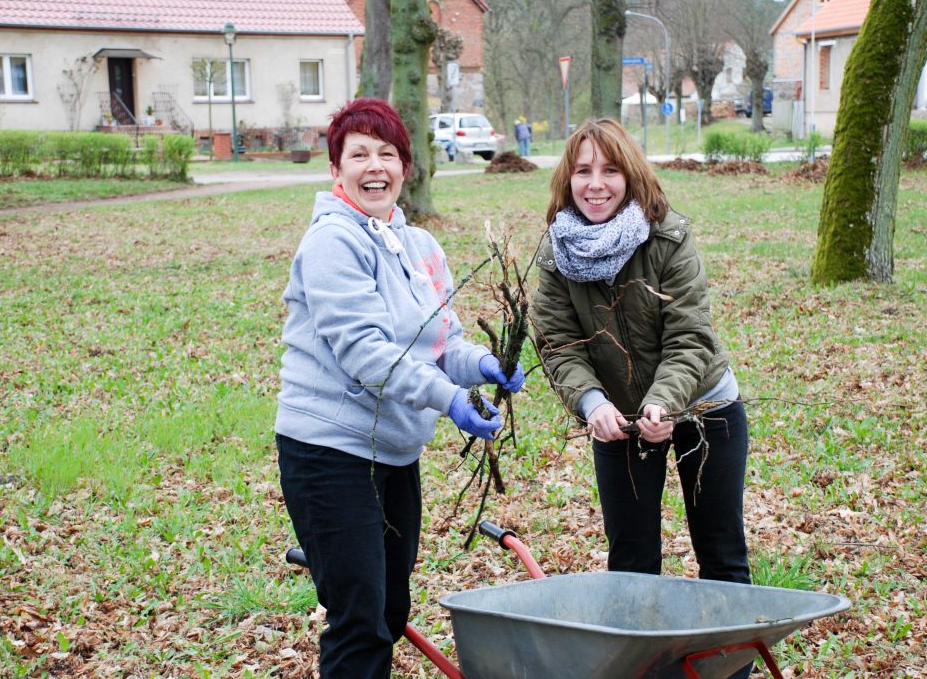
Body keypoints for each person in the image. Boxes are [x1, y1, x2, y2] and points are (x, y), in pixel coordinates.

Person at [275, 97, 525, 678]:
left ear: (405, 168)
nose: (375, 167)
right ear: (336, 169)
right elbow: (367, 353)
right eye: (358, 154)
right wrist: (450, 400)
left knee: (389, 609)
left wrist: (484, 364)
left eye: (387, 154)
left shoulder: (421, 247)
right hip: (329, 452)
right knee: (360, 620)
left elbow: (443, 343)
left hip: (394, 452)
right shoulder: (331, 242)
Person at [530, 117, 752, 677]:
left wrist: (664, 404)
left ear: (630, 175)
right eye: (583, 171)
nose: (595, 184)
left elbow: (690, 337)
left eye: (610, 170)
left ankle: (726, 672)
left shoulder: (668, 237)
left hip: (703, 406)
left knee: (722, 553)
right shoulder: (556, 254)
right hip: (617, 419)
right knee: (631, 564)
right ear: (567, 179)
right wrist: (593, 403)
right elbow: (557, 344)